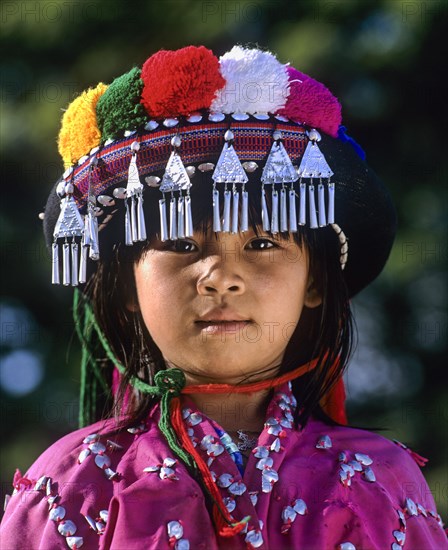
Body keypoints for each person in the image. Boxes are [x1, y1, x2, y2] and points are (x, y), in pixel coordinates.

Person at [0, 45, 446, 550]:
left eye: (261, 243)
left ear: (316, 284)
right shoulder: (70, 486)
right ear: (126, 286)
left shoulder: (380, 479)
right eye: (181, 244)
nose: (219, 277)